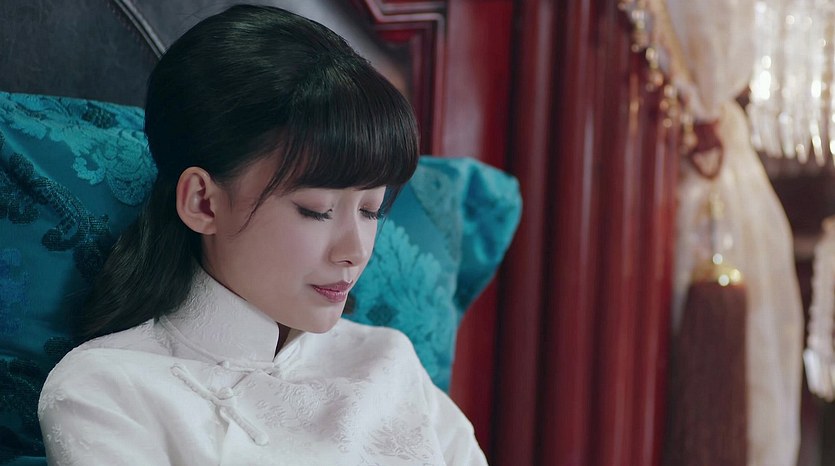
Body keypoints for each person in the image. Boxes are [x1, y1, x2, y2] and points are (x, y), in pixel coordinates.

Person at [37, 5, 487, 465]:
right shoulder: (107, 391)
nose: (355, 251)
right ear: (203, 202)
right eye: (317, 211)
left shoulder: (389, 362)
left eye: (371, 211)